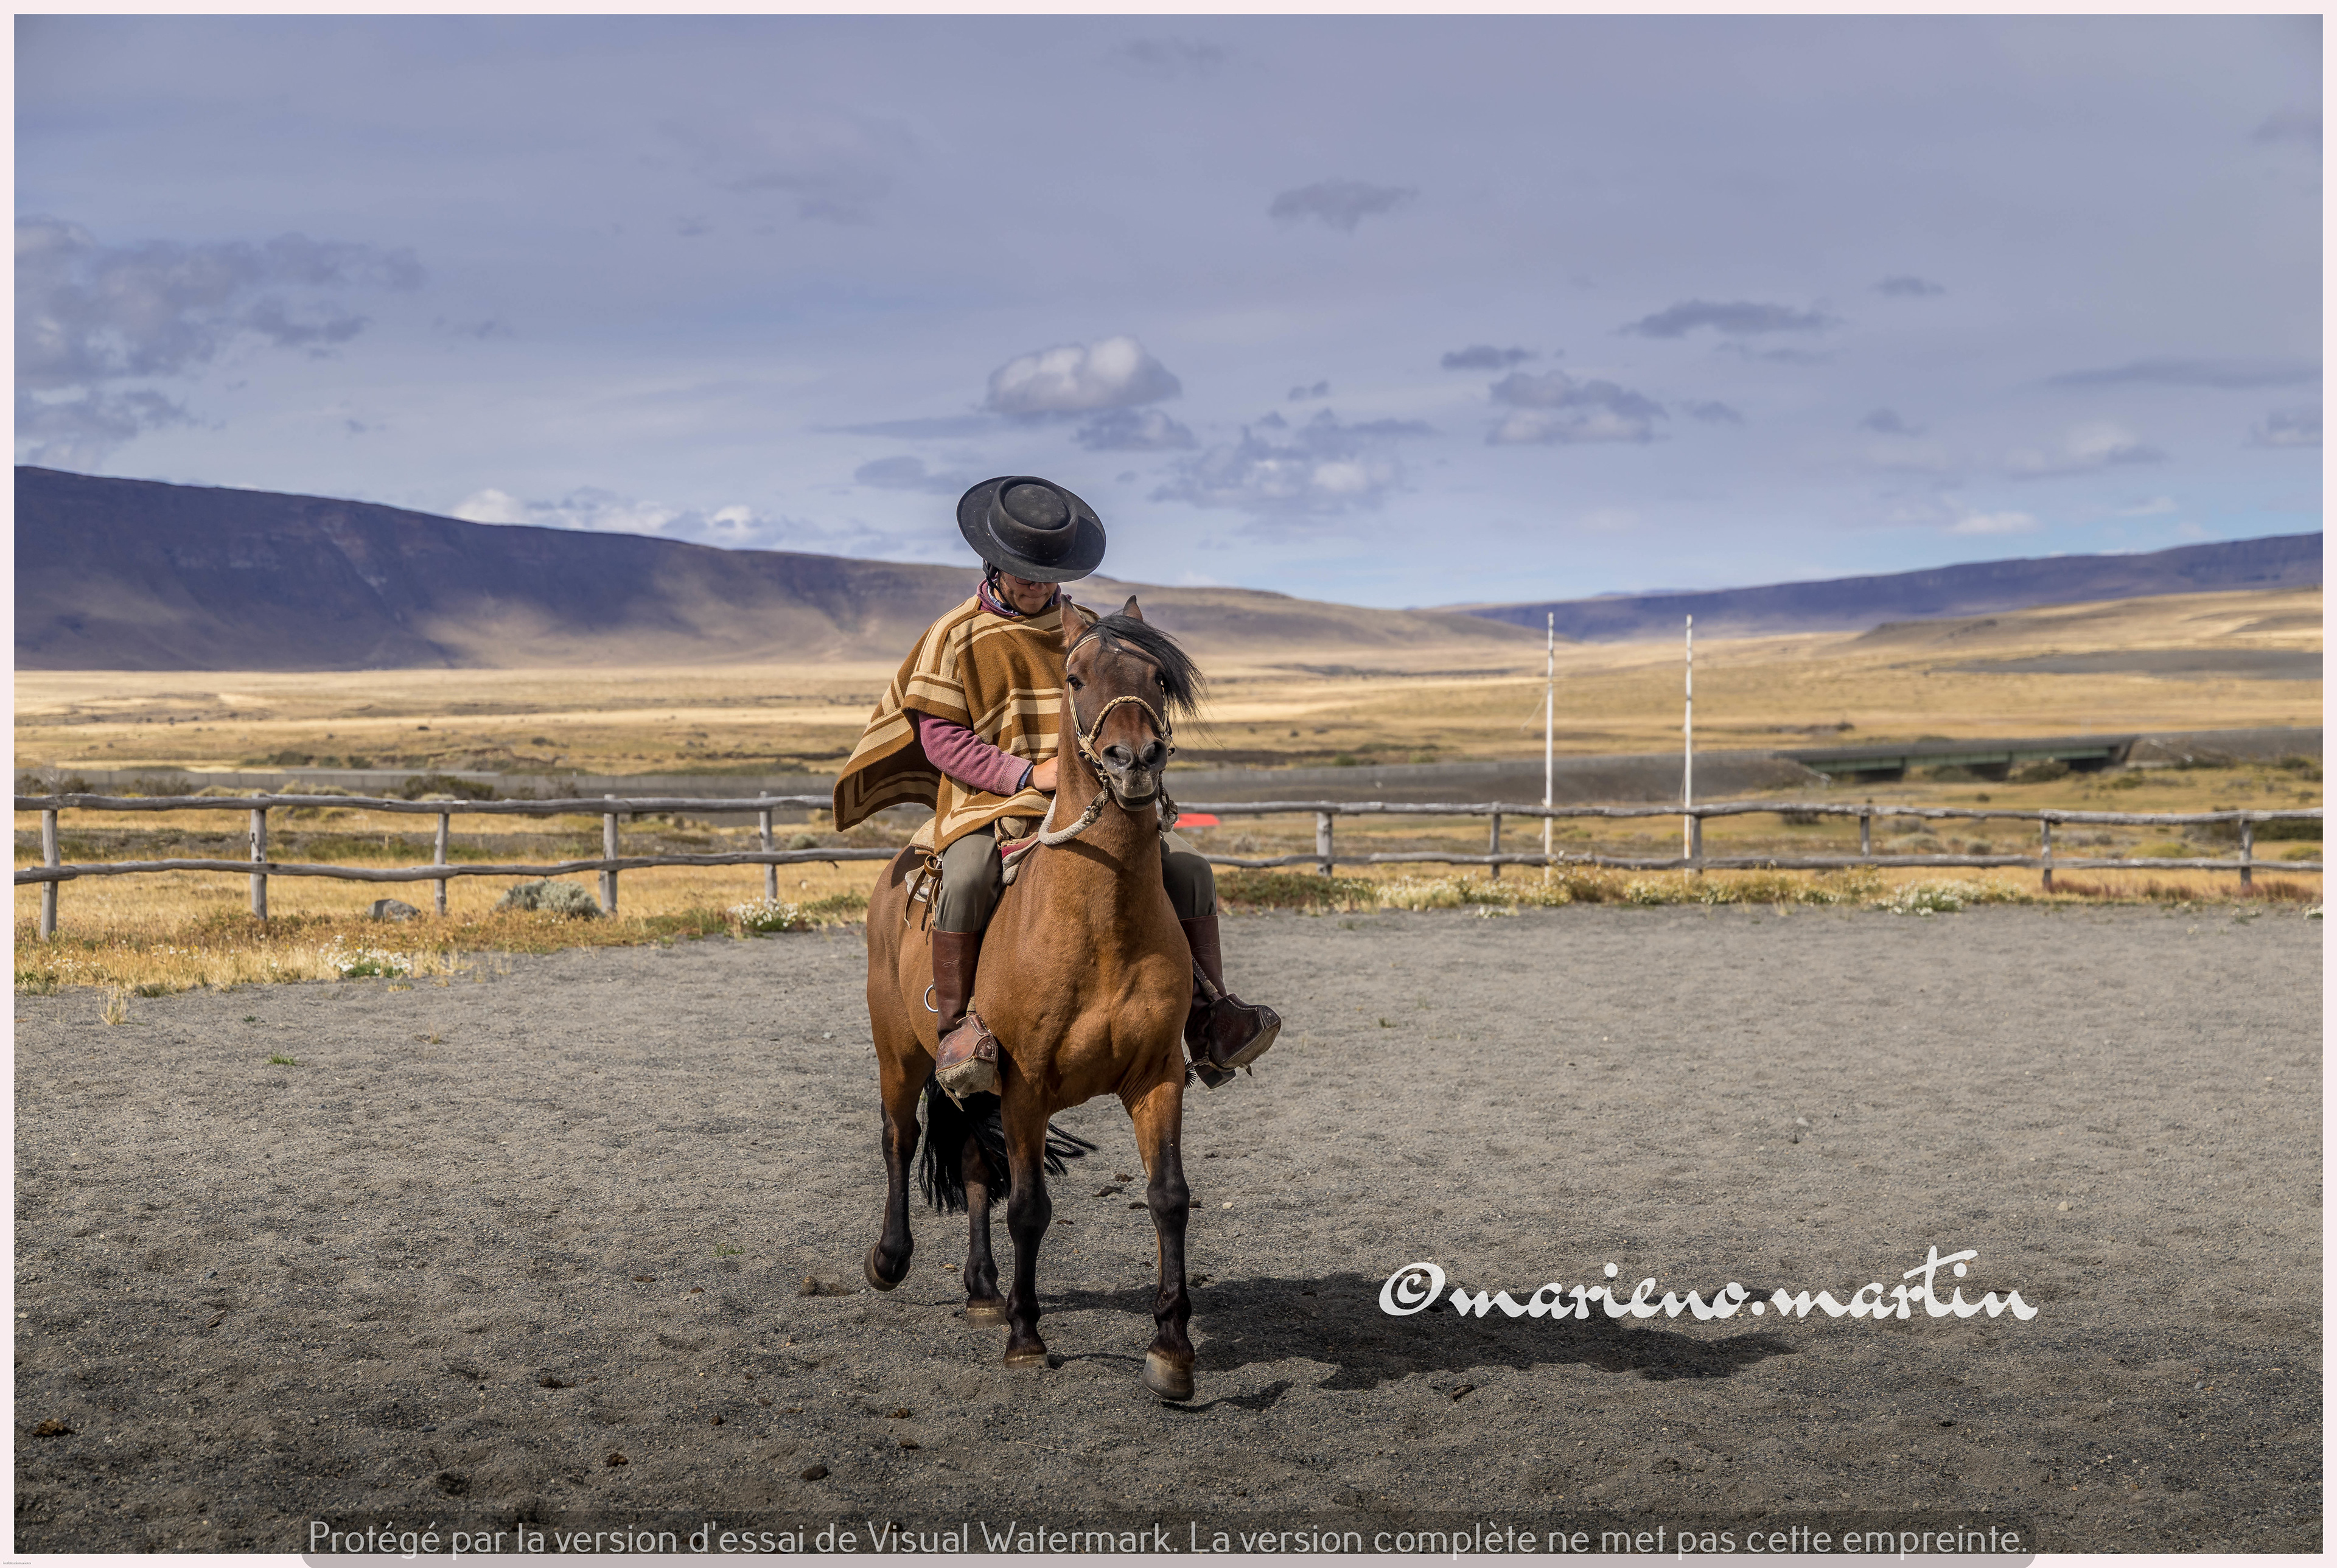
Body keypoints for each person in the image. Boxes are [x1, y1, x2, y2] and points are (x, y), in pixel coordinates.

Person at [832, 474, 1278, 1093]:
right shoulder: (953, 636)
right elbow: (940, 741)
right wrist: (1024, 773)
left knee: (1190, 874)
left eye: (1046, 571)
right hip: (988, 805)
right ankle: (961, 1031)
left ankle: (1209, 1022)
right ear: (992, 563)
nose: (1036, 582)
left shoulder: (1091, 633)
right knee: (964, 877)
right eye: (1021, 570)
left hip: (1089, 803)